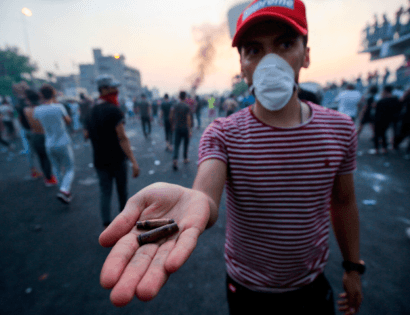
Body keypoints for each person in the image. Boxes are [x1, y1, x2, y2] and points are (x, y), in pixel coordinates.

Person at [98, 1, 364, 315]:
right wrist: (194, 203)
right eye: (254, 49)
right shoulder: (222, 133)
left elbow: (344, 202)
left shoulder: (340, 128)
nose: (270, 62)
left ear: (306, 55)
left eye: (285, 44)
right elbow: (205, 198)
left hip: (312, 284)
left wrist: (352, 267)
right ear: (242, 65)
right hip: (247, 290)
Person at [84, 74, 140, 228]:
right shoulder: (114, 110)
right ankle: (124, 223)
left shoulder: (90, 111)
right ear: (103, 89)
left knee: (105, 192)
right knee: (122, 192)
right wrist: (134, 162)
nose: (116, 90)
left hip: (99, 159)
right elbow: (122, 138)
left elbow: (86, 135)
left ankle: (107, 225)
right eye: (113, 88)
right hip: (117, 159)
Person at [34, 84, 75, 204]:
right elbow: (68, 121)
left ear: (41, 95)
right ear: (53, 94)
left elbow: (38, 125)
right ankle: (64, 190)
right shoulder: (59, 107)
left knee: (57, 169)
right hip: (63, 141)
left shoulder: (37, 110)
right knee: (69, 168)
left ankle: (64, 193)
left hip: (49, 143)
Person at [23, 89, 57, 186]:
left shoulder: (26, 110)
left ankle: (48, 178)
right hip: (46, 134)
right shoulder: (43, 108)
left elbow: (25, 124)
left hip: (35, 135)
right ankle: (53, 176)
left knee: (42, 158)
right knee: (50, 157)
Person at [372, 85, 400, 155]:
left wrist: (381, 97)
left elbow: (374, 106)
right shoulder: (395, 99)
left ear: (385, 90)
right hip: (388, 119)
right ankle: (384, 149)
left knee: (377, 134)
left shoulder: (382, 100)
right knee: (384, 134)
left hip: (379, 118)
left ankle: (376, 149)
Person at [171, 91, 192, 170]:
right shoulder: (187, 106)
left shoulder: (175, 105)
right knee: (185, 144)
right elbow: (188, 119)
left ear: (179, 97)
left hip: (177, 127)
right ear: (185, 97)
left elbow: (172, 116)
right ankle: (185, 158)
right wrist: (190, 129)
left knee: (176, 145)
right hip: (185, 128)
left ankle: (175, 160)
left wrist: (173, 125)